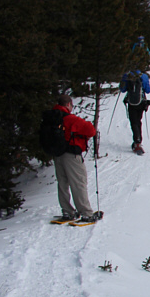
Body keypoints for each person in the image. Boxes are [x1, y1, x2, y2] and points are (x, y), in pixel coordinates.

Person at [52, 94, 99, 223]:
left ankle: (67, 212)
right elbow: (91, 131)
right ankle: (86, 213)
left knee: (62, 183)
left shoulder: (51, 117)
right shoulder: (70, 119)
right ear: (68, 105)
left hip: (57, 154)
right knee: (78, 182)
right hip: (71, 154)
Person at [119, 68, 150, 154]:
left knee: (133, 122)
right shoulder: (143, 76)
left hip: (131, 103)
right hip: (141, 102)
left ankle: (137, 141)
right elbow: (148, 90)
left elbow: (122, 89)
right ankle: (138, 141)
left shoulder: (127, 75)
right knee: (138, 121)